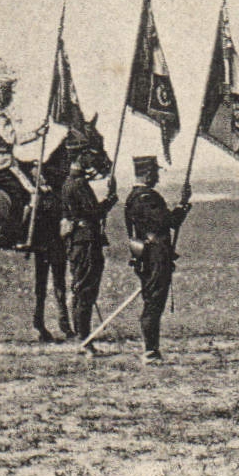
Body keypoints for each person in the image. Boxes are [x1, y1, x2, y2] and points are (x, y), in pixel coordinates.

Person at [124, 155, 190, 364]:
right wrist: (183, 205)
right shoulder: (146, 197)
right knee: (154, 302)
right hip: (155, 254)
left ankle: (151, 348)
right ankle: (150, 351)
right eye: (155, 173)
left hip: (147, 253)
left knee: (152, 301)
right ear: (147, 174)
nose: (158, 177)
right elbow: (168, 221)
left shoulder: (134, 196)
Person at [0, 71, 47, 242]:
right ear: (1, 93)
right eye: (8, 92)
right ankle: (13, 234)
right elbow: (13, 138)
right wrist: (38, 133)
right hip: (3, 163)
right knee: (26, 193)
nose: (10, 97)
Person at [61, 143, 117, 346]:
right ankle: (84, 339)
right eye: (89, 155)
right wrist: (110, 200)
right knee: (85, 291)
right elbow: (94, 212)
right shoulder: (78, 184)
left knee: (80, 288)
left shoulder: (71, 182)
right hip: (86, 243)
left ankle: (81, 335)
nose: (92, 160)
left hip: (79, 242)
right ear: (80, 157)